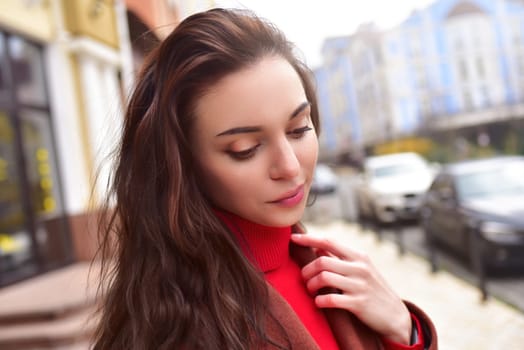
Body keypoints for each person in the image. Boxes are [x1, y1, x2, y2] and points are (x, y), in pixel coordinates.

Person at [93, 8, 438, 350]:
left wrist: (403, 328)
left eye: (299, 128)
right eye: (245, 148)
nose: (289, 167)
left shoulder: (327, 271)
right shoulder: (180, 329)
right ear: (183, 165)